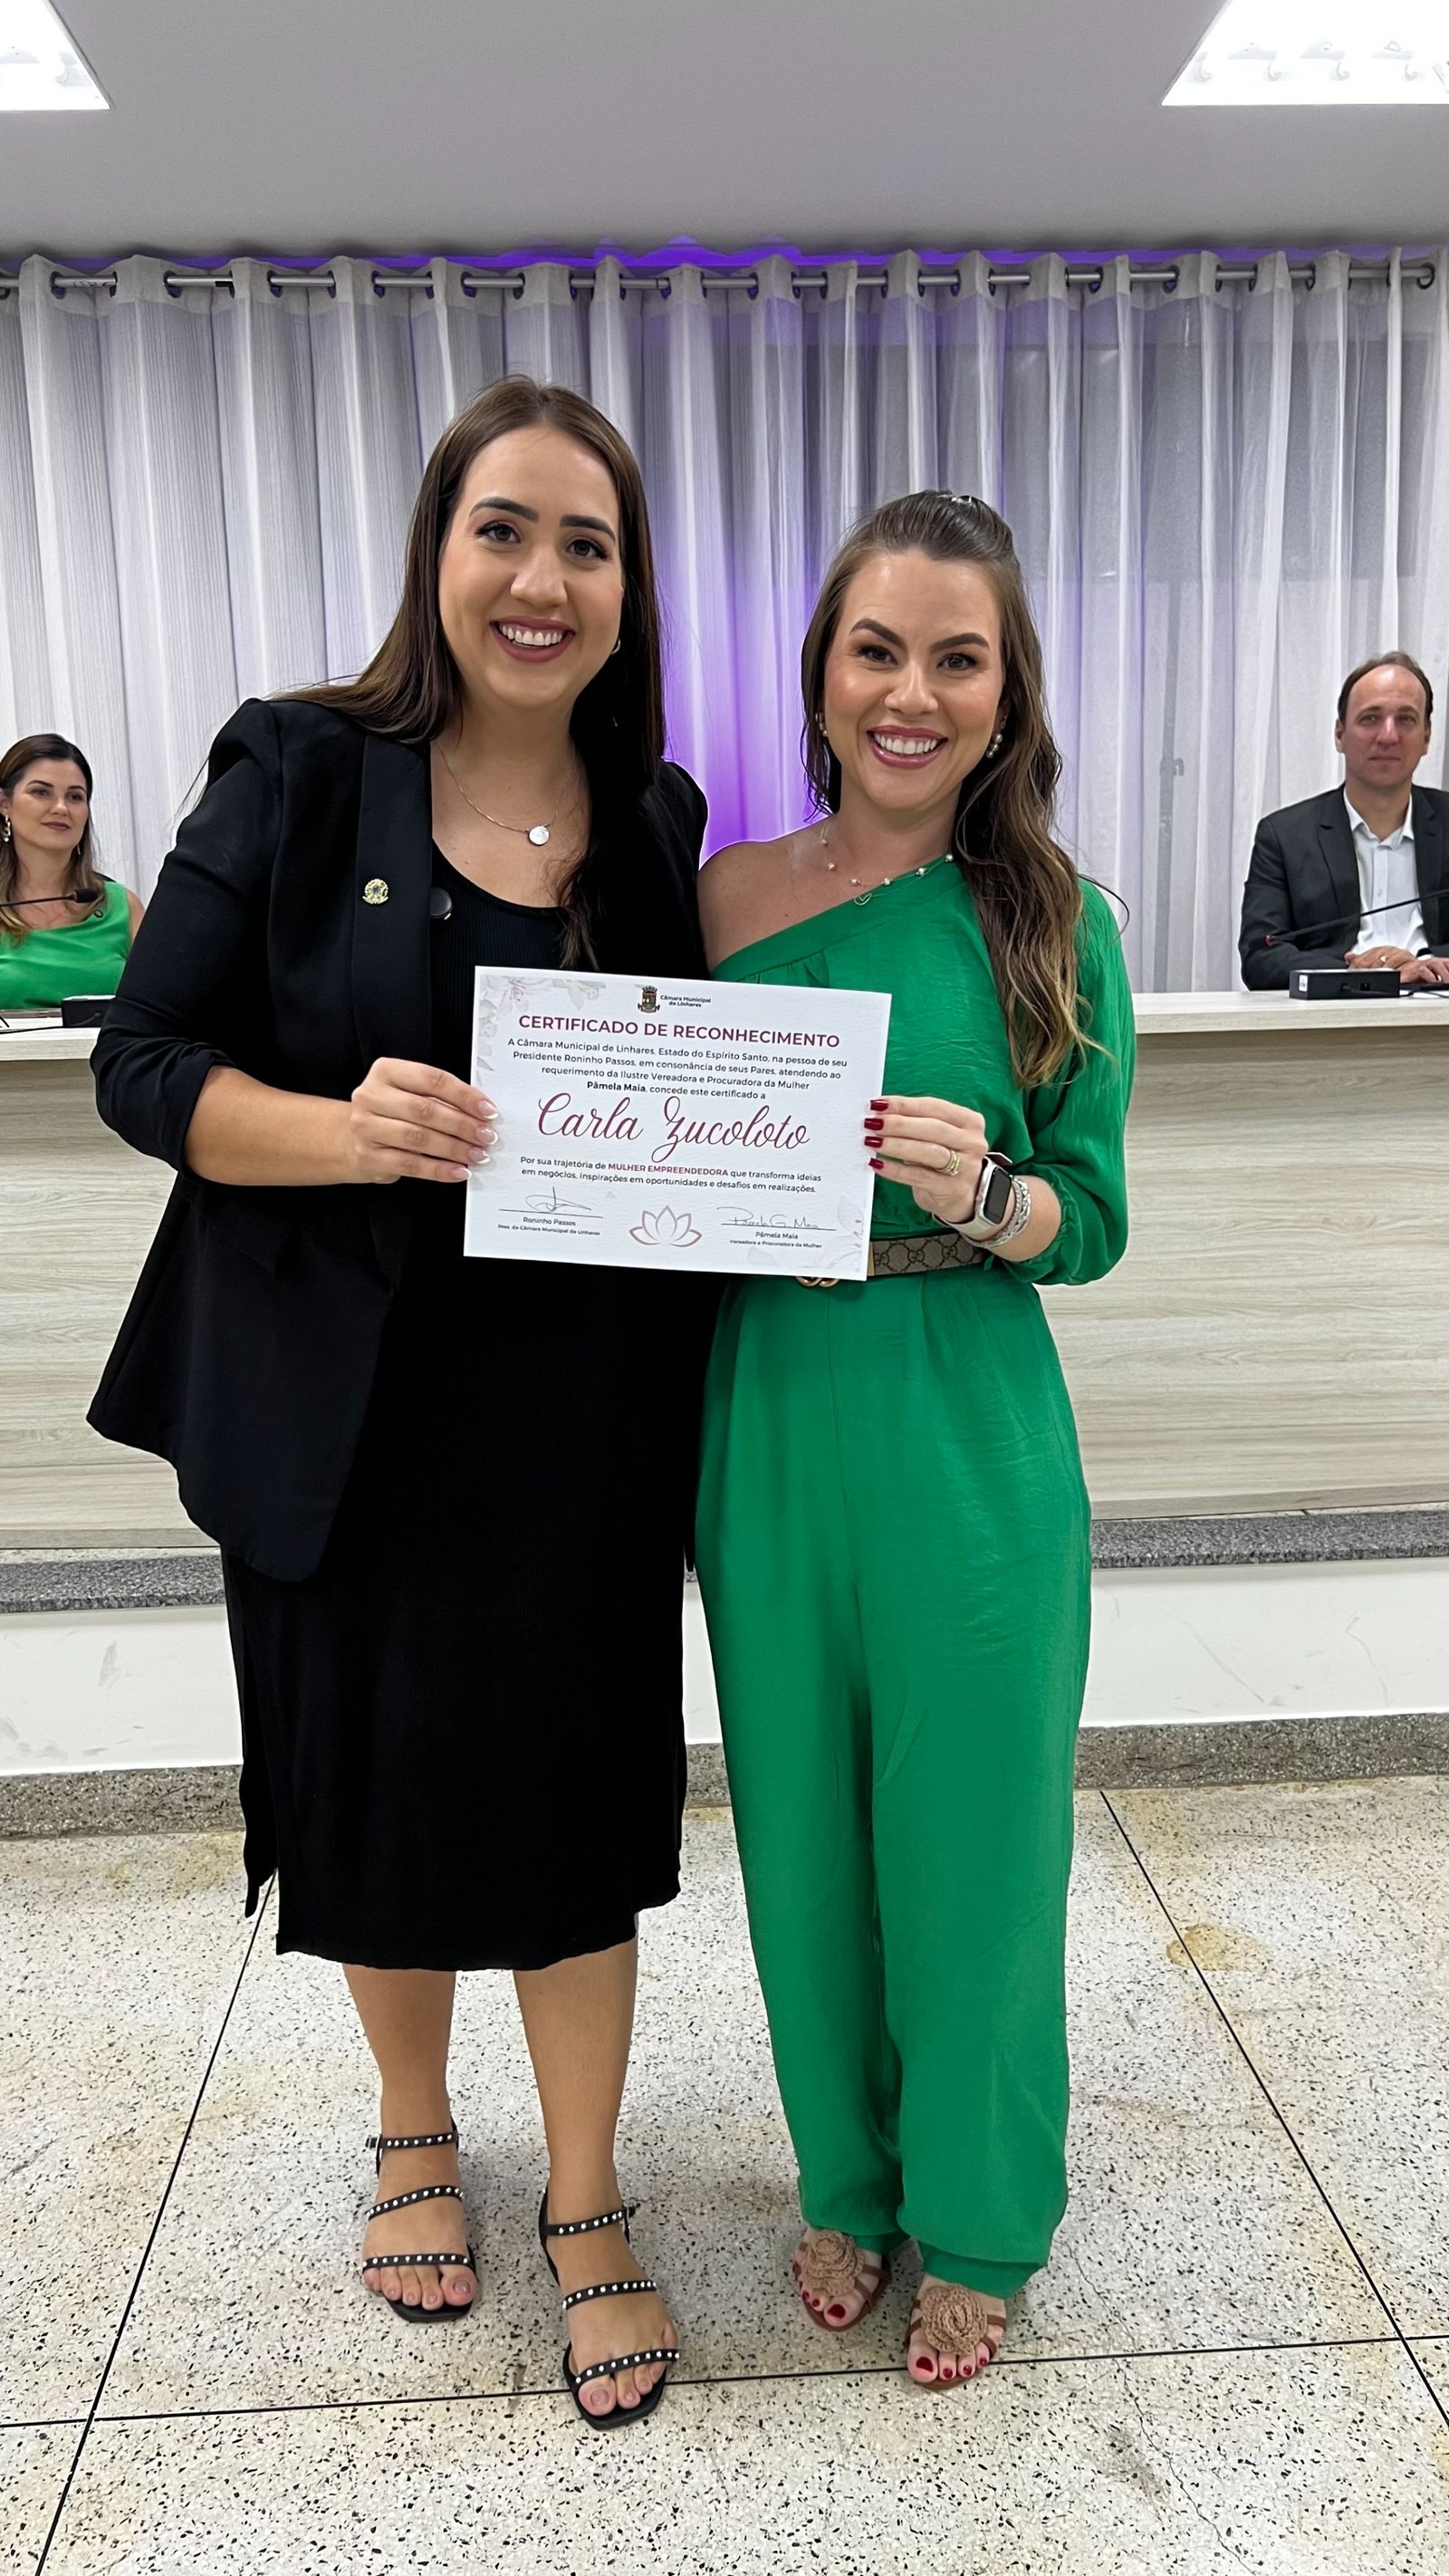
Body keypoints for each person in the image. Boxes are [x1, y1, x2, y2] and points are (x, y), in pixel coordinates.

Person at [88, 379, 713, 2427]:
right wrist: (338, 1130)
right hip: (338, 1412)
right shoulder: (297, 766)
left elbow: (688, 1099)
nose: (542, 579)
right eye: (502, 529)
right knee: (372, 1779)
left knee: (582, 1795)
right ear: (437, 549)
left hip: (581, 1419)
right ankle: (416, 2128)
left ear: (626, 588)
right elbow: (143, 1062)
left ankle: (590, 2194)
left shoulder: (654, 818)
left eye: (586, 544)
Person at [695, 491, 1133, 2390]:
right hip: (766, 1411)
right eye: (876, 648)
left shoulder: (1056, 922)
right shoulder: (715, 899)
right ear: (819, 675)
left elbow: (1091, 1219)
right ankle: (845, 2178)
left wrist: (993, 1194)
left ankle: (976, 2213)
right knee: (798, 1829)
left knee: (971, 1842)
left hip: (967, 1421)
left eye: (958, 658)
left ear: (1005, 694)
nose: (910, 692)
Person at [1239, 651, 1449, 988]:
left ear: (1426, 738)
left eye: (1406, 719)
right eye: (1370, 718)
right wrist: (1365, 973)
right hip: (1331, 1011)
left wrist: (1422, 965)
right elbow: (1260, 956)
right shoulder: (1283, 836)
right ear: (1340, 734)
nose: (1388, 736)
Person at [0, 735, 142, 1011]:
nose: (61, 808)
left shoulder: (123, 907)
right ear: (4, 803)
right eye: (41, 792)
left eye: (75, 796)